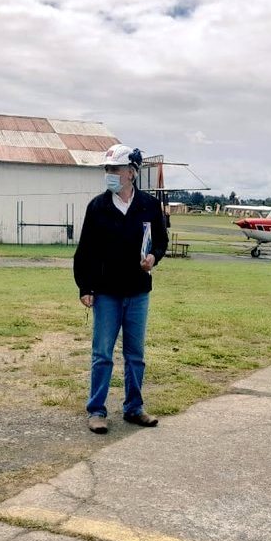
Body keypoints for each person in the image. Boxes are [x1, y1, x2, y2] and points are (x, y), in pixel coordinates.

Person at [74, 144, 168, 434]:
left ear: (131, 172)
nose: (110, 174)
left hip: (138, 292)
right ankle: (96, 410)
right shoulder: (98, 207)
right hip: (106, 293)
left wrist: (154, 257)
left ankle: (134, 407)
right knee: (102, 353)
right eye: (107, 169)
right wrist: (85, 287)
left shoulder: (149, 206)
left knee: (135, 354)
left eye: (114, 169)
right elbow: (85, 251)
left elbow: (161, 241)